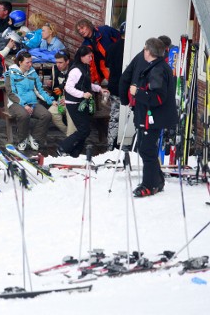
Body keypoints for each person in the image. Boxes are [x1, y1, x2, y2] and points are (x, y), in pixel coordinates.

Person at [120, 38, 176, 197]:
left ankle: (150, 185)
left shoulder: (158, 70)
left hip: (153, 118)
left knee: (146, 149)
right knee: (145, 148)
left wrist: (137, 92)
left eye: (145, 49)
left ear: (149, 51)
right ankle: (157, 180)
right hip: (148, 116)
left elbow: (158, 97)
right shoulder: (156, 66)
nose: (143, 51)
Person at [57, 46, 108, 158]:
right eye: (89, 56)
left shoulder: (85, 67)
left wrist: (99, 89)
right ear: (82, 57)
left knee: (85, 130)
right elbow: (68, 87)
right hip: (73, 103)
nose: (91, 59)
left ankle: (74, 153)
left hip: (82, 103)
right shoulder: (76, 70)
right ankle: (63, 147)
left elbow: (85, 84)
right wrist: (82, 94)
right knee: (84, 129)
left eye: (91, 56)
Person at [5, 51, 56, 151]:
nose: (30, 64)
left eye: (31, 62)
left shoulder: (32, 72)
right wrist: (24, 105)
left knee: (46, 115)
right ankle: (22, 140)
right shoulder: (10, 73)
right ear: (20, 62)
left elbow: (39, 90)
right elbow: (11, 93)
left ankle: (34, 138)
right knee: (24, 115)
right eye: (27, 62)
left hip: (32, 102)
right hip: (15, 103)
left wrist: (50, 100)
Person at [75, 18, 120, 85]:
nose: (81, 31)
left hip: (117, 61)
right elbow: (90, 65)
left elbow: (120, 38)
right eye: (79, 30)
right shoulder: (85, 45)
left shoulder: (105, 30)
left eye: (82, 28)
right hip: (104, 69)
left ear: (89, 25)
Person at [105, 22, 126, 151]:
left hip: (114, 86)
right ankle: (123, 144)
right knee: (127, 117)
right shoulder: (132, 49)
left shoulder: (112, 47)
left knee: (114, 117)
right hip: (127, 89)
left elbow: (107, 65)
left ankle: (111, 145)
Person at [48, 50, 76, 136]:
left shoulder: (75, 70)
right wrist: (50, 82)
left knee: (70, 113)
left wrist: (67, 99)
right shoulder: (55, 68)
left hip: (73, 101)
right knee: (51, 112)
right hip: (60, 100)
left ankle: (71, 137)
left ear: (67, 61)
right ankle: (69, 134)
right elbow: (55, 86)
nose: (58, 65)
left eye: (61, 62)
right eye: (56, 62)